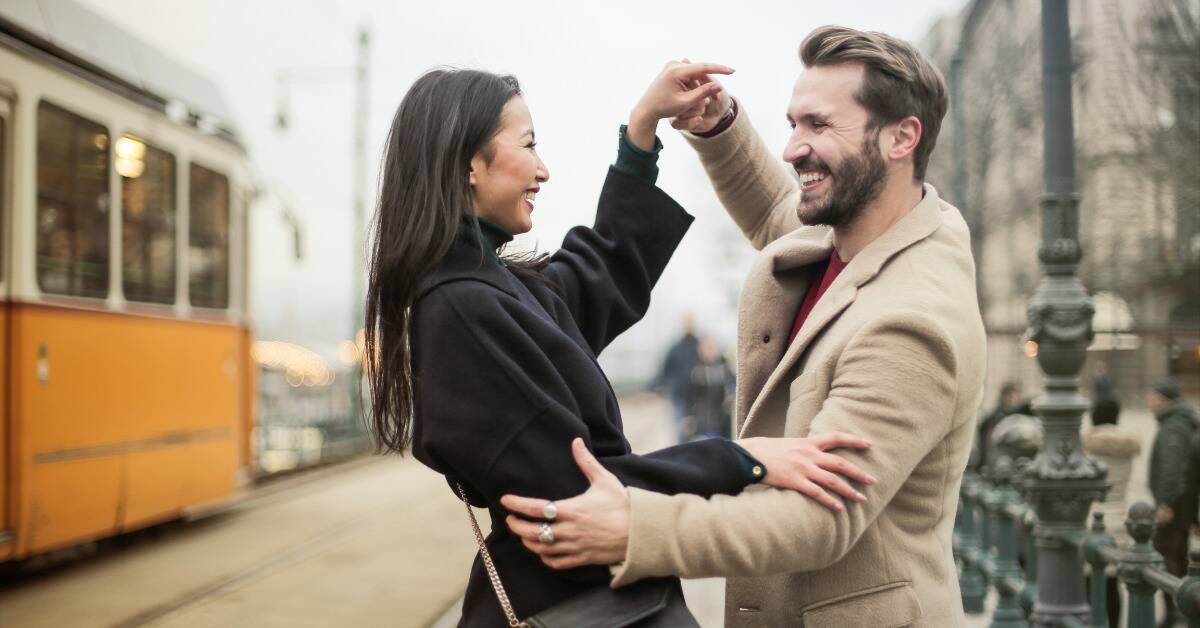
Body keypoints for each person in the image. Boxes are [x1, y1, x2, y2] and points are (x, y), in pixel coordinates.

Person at [502, 25, 986, 627]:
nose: (792, 149)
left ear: (901, 138)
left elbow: (819, 517)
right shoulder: (858, 231)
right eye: (792, 124)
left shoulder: (912, 319)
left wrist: (634, 527)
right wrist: (717, 123)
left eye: (819, 125)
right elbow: (779, 211)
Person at [363, 66, 876, 627]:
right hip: (576, 602)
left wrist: (641, 134)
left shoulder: (487, 287)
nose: (543, 170)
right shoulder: (465, 308)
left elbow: (597, 271)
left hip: (577, 598)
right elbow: (589, 494)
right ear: (467, 162)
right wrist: (743, 460)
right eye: (529, 145)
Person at [1082, 400, 1142, 628]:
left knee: (1090, 582)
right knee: (1113, 583)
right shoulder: (1126, 447)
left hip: (1093, 518)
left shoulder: (1088, 446)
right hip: (1119, 517)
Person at [1146, 379, 1199, 627]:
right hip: (1184, 505)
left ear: (1163, 399)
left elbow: (1172, 467)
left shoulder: (1173, 427)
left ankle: (1175, 614)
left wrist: (1165, 503)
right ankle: (1179, 613)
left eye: (1152, 396)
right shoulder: (1178, 422)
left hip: (1174, 507)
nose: (1148, 401)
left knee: (1167, 557)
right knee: (1178, 557)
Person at [652, 315, 700, 442]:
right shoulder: (675, 348)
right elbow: (664, 370)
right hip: (679, 395)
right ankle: (683, 455)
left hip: (698, 396)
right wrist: (651, 387)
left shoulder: (700, 346)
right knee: (682, 428)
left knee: (697, 428)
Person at [971, 381, 1033, 472]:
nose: (1011, 400)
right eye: (1009, 396)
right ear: (1003, 397)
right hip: (999, 458)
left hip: (1017, 457)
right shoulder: (993, 417)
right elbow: (986, 441)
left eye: (1014, 397)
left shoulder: (1021, 414)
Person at [682, 336, 735, 440]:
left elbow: (733, 386)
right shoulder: (695, 371)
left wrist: (730, 399)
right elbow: (688, 395)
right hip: (700, 422)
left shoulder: (725, 369)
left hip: (722, 421)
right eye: (707, 349)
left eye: (712, 348)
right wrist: (688, 416)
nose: (710, 352)